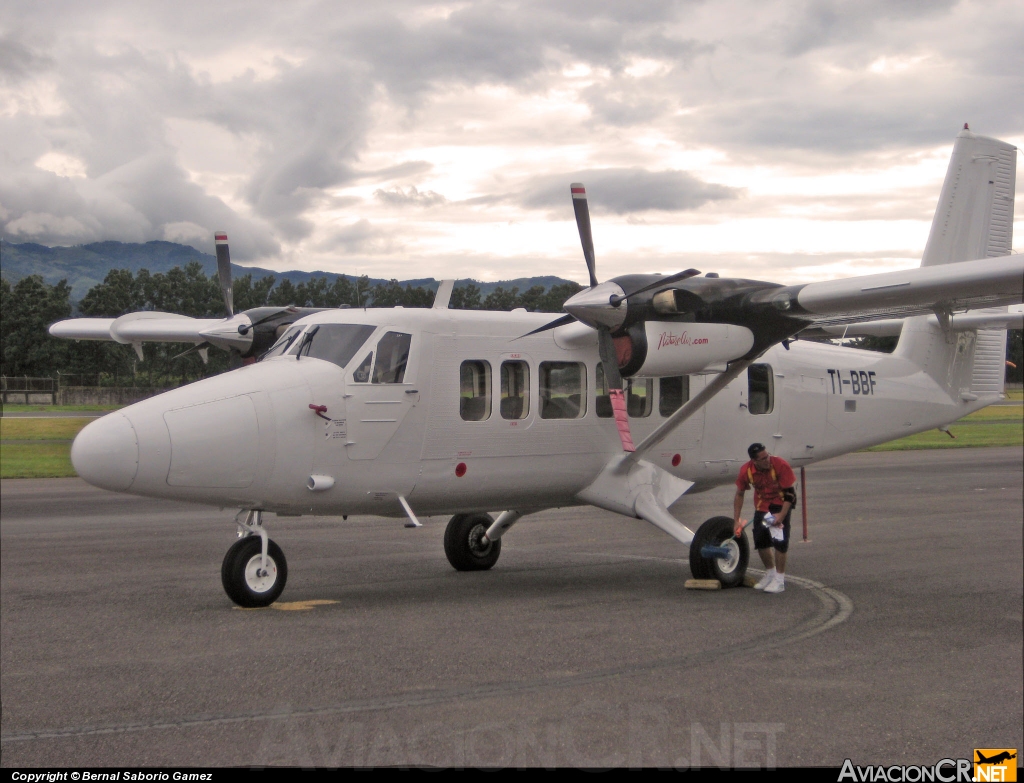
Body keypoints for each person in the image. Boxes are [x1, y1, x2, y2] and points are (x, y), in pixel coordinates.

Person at [733, 443, 797, 594]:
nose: (767, 460)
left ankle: (780, 580)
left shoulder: (780, 464)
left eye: (767, 456)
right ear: (754, 461)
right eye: (762, 459)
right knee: (760, 539)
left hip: (782, 504)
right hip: (763, 506)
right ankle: (770, 573)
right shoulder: (746, 471)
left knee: (779, 540)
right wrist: (736, 520)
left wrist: (781, 516)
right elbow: (739, 494)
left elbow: (790, 494)